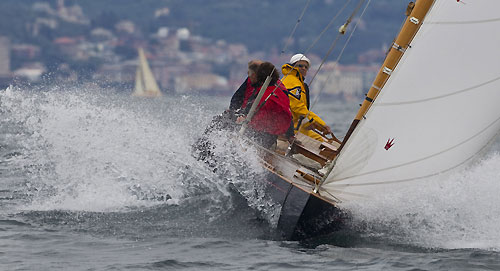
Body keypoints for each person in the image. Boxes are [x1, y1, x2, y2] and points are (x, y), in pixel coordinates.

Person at [281, 53, 340, 143]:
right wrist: (321, 125)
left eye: (306, 67)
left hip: (293, 125)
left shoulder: (296, 81)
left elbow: (300, 112)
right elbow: (298, 108)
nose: (304, 68)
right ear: (293, 66)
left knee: (327, 142)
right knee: (322, 142)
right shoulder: (292, 82)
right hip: (290, 127)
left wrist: (317, 125)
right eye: (300, 65)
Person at [237, 61, 293, 148]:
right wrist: (290, 135)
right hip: (272, 135)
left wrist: (242, 117)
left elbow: (254, 115)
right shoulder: (279, 90)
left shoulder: (263, 94)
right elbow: (288, 115)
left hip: (259, 134)